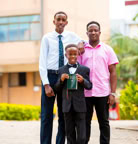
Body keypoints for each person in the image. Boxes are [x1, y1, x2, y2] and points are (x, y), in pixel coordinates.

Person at [39, 11, 83, 144]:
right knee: (46, 115)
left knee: (64, 114)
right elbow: (42, 62)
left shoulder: (72, 36)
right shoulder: (47, 38)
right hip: (50, 76)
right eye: (58, 19)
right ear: (54, 21)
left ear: (66, 22)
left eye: (63, 20)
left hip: (65, 76)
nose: (61, 22)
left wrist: (81, 43)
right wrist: (46, 84)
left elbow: (84, 41)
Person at [78, 21, 119, 144]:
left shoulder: (107, 49)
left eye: (96, 30)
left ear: (99, 32)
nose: (93, 32)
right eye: (90, 30)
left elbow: (113, 72)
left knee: (104, 122)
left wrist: (113, 93)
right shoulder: (81, 50)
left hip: (103, 93)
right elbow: (76, 69)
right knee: (85, 122)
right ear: (87, 33)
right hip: (85, 93)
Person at [55, 44, 92, 144]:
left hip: (80, 106)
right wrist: (61, 80)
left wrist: (83, 81)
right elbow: (57, 88)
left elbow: (89, 86)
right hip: (67, 107)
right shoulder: (61, 70)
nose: (72, 56)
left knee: (82, 136)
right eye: (70, 54)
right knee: (70, 135)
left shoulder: (85, 70)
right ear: (66, 55)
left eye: (75, 54)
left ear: (78, 54)